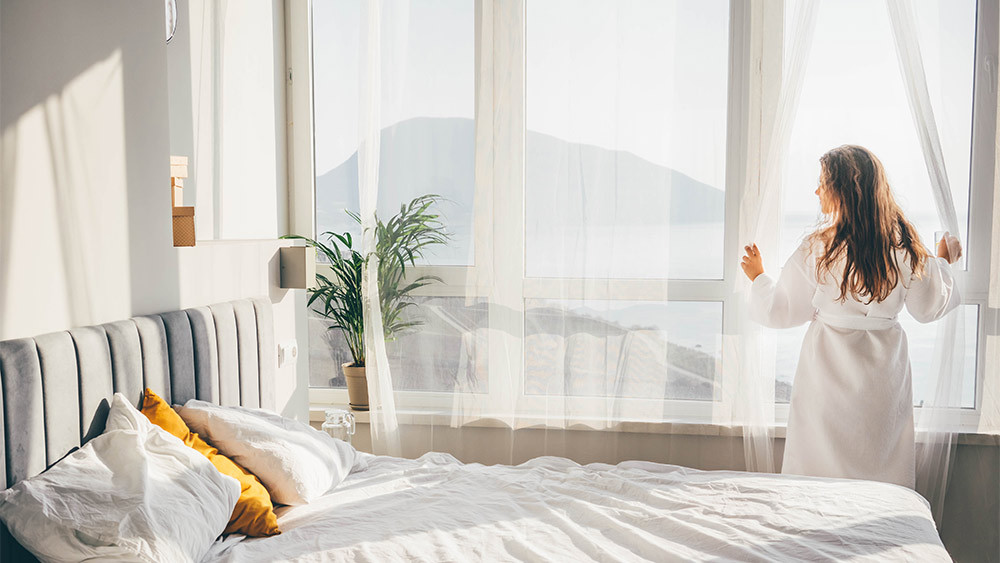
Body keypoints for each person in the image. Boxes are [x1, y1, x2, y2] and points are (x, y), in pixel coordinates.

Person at [740, 144, 961, 488]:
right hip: (883, 378)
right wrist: (944, 263)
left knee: (818, 474)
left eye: (822, 183)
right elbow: (927, 307)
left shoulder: (818, 248)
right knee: (880, 461)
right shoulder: (905, 248)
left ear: (843, 190)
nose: (816, 191)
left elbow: (782, 310)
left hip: (826, 376)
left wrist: (758, 277)